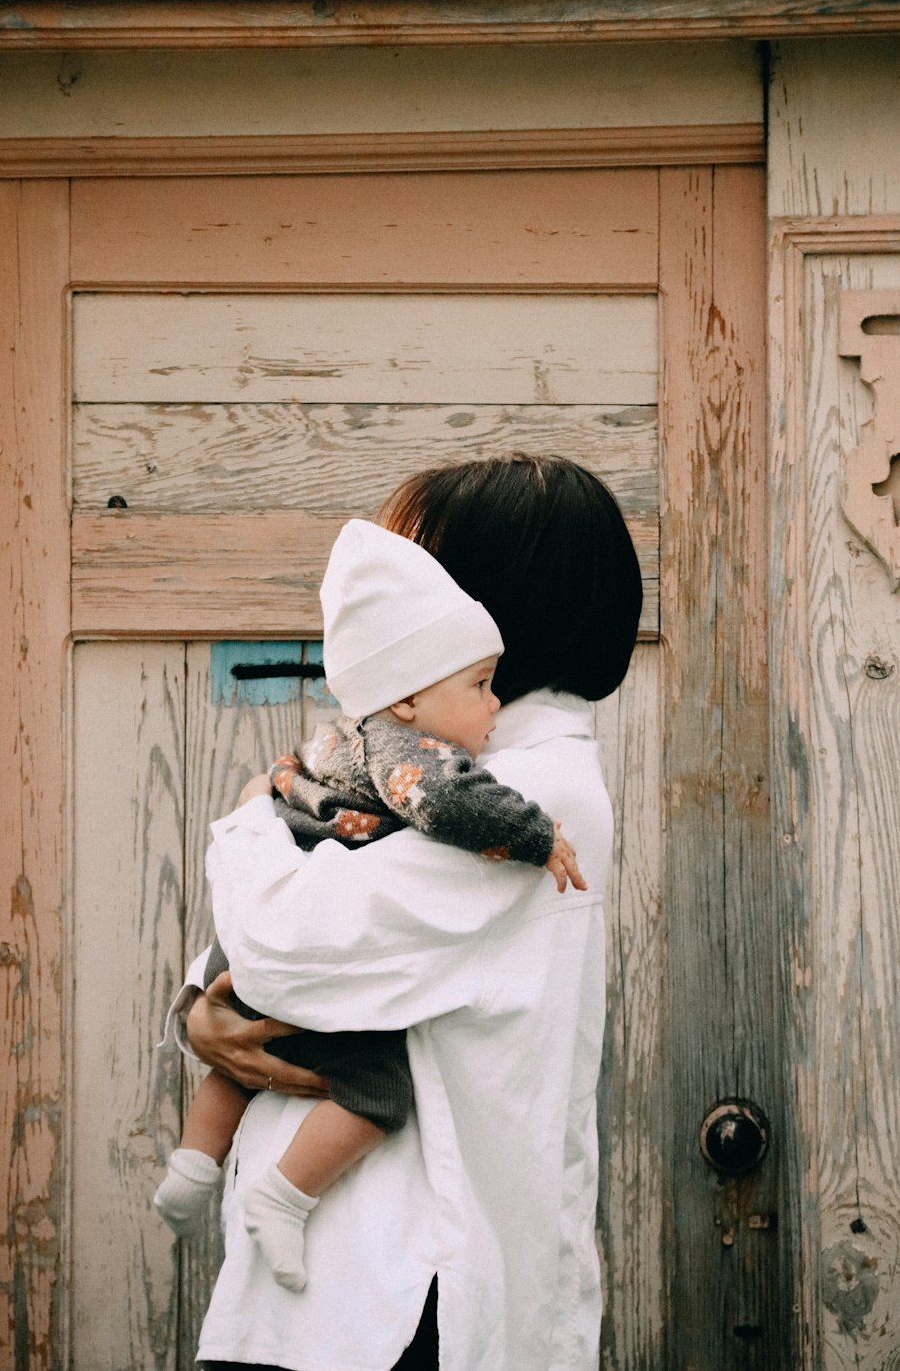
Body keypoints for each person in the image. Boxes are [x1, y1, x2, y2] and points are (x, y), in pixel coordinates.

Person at [168, 454, 642, 1371]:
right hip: (351, 1286)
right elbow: (295, 933)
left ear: (488, 600)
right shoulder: (428, 763)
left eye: (420, 570)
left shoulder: (522, 792)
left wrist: (247, 815)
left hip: (393, 1291)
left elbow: (285, 948)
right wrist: (202, 1004)